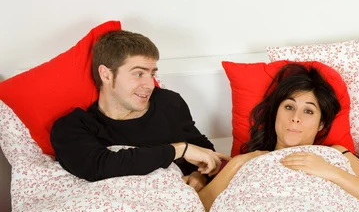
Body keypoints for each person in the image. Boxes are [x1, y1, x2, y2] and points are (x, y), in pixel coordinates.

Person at [198, 63, 359, 212]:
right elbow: (197, 211)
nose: (296, 117)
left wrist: (330, 171)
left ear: (321, 124)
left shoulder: (336, 154)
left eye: (308, 111)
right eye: (289, 107)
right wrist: (237, 163)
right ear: (276, 114)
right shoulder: (246, 161)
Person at [50, 30, 229, 189]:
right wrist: (177, 150)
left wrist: (200, 177)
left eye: (152, 74)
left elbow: (202, 149)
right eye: (138, 74)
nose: (150, 85)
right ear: (106, 74)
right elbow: (98, 166)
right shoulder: (73, 127)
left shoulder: (169, 103)